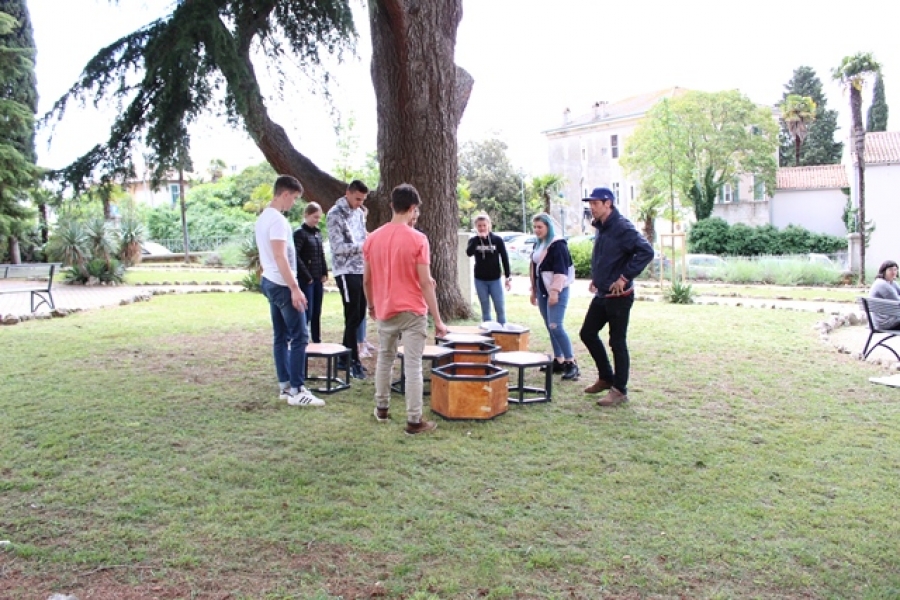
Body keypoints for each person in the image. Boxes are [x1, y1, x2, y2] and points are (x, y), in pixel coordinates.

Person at [363, 183, 448, 435]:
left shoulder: (372, 238)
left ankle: (382, 408)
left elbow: (366, 280)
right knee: (412, 365)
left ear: (392, 206)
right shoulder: (418, 239)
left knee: (385, 360)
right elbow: (425, 282)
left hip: (385, 309)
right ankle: (413, 420)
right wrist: (439, 319)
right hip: (412, 311)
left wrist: (371, 305)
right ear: (412, 209)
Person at [579, 187, 653, 407]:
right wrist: (597, 277)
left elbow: (646, 251)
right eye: (590, 204)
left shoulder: (622, 227)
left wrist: (624, 277)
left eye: (595, 203)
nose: (591, 207)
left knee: (617, 341)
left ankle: (619, 390)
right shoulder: (602, 227)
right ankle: (605, 377)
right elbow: (606, 255)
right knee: (588, 333)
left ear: (608, 203)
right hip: (603, 293)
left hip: (620, 296)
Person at [255, 175, 324, 407]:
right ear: (285, 194)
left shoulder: (263, 218)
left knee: (281, 335)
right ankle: (297, 389)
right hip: (282, 285)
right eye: (293, 198)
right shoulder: (277, 221)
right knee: (300, 336)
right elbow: (279, 256)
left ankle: (285, 386)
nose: (293, 203)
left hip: (271, 281)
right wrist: (295, 288)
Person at [327, 179, 369, 379]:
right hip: (345, 270)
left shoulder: (360, 213)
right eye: (357, 198)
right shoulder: (335, 214)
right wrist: (363, 246)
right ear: (348, 193)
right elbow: (338, 249)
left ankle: (345, 356)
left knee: (360, 314)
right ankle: (353, 361)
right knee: (352, 315)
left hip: (361, 269)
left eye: (362, 199)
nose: (360, 203)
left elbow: (363, 237)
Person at [529, 213, 579, 380]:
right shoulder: (538, 244)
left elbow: (561, 271)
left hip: (557, 291)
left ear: (548, 227)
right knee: (549, 325)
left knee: (555, 325)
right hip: (542, 290)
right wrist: (534, 291)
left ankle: (571, 362)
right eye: (535, 227)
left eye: (540, 227)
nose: (537, 230)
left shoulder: (557, 245)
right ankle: (558, 360)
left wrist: (555, 292)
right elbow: (534, 267)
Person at [466, 214, 512, 324]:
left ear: (489, 226)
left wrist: (508, 276)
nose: (482, 228)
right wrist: (478, 239)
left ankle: (502, 331)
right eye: (479, 226)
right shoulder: (473, 240)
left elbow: (504, 258)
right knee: (485, 309)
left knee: (499, 307)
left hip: (495, 279)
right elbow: (469, 253)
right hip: (480, 279)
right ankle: (488, 333)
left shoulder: (497, 240)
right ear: (476, 227)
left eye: (484, 225)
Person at [293, 202, 328, 344]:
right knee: (307, 310)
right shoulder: (300, 233)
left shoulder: (317, 233)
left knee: (316, 310)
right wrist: (307, 276)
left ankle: (316, 338)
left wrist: (324, 271)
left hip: (317, 277)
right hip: (306, 279)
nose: (317, 220)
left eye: (319, 218)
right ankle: (303, 338)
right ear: (306, 215)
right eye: (315, 217)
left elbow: (321, 254)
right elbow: (295, 255)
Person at [869, 260, 900, 329]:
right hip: (884, 322)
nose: (893, 272)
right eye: (890, 270)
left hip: (890, 319)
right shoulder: (882, 284)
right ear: (883, 271)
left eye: (895, 270)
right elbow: (898, 302)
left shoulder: (891, 282)